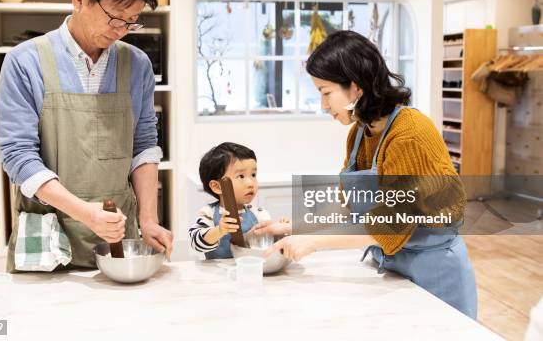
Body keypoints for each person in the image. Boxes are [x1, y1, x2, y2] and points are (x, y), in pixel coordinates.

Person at [252, 30, 478, 319]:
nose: (323, 105)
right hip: (392, 267)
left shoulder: (409, 134)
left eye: (325, 92)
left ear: (356, 88)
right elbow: (348, 204)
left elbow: (392, 223)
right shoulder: (360, 132)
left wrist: (314, 242)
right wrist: (293, 228)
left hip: (434, 272)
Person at [0, 0, 173, 272]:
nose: (120, 30)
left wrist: (149, 219)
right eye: (115, 17)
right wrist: (85, 213)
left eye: (131, 22)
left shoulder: (137, 65)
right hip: (47, 232)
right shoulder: (26, 61)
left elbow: (145, 146)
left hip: (118, 231)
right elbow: (18, 156)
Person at [189, 142, 278, 259]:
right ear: (217, 186)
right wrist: (219, 231)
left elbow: (269, 243)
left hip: (249, 269)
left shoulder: (260, 214)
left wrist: (278, 227)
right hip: (217, 273)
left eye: (253, 174)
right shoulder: (208, 213)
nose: (251, 183)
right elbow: (196, 243)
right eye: (241, 176)